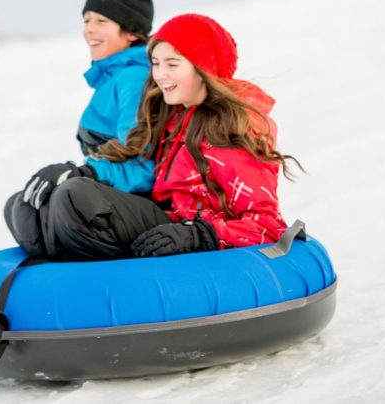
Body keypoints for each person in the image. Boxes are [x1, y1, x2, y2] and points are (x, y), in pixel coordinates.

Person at [40, 13, 301, 261]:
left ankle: (114, 283)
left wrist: (198, 235)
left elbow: (266, 224)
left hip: (194, 240)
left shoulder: (234, 128)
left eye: (172, 64)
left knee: (74, 197)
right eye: (155, 63)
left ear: (203, 70)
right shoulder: (170, 117)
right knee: (32, 207)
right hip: (164, 223)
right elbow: (137, 164)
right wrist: (82, 171)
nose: (160, 74)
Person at [4, 0, 158, 256]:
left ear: (131, 32)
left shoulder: (134, 79)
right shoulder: (112, 79)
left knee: (70, 197)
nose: (89, 29)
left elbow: (147, 167)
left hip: (137, 203)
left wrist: (84, 173)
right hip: (105, 196)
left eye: (102, 21)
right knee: (23, 206)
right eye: (86, 20)